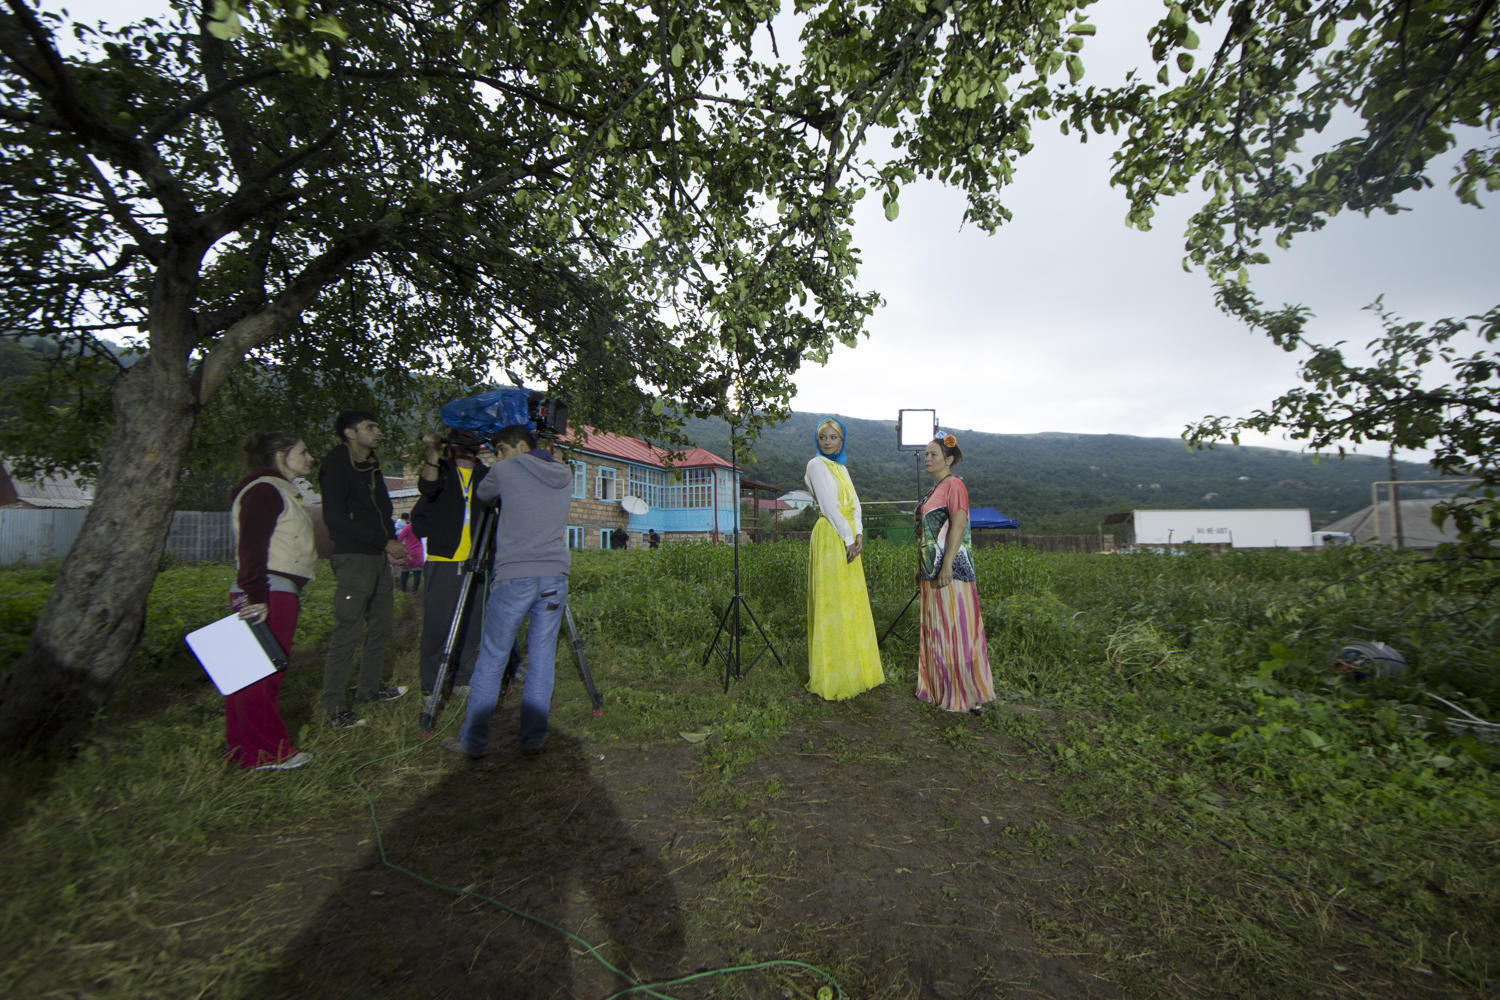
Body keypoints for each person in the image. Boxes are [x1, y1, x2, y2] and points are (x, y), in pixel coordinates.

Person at [443, 423, 573, 758]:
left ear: (512, 447)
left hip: (515, 575)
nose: (496, 457)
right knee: (543, 658)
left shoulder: (505, 469)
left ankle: (473, 741)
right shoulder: (563, 473)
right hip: (554, 576)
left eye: (497, 450)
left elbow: (483, 496)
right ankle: (533, 737)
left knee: (493, 656)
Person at [226, 430, 317, 770]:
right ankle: (268, 752)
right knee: (262, 676)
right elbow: (251, 545)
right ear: (281, 454)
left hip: (266, 589)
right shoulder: (265, 489)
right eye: (303, 452)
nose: (309, 458)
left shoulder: (272, 489)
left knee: (245, 676)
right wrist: (256, 595)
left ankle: (244, 750)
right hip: (267, 591)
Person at [318, 409, 409, 727]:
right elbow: (335, 518)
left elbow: (380, 512)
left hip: (377, 557)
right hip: (353, 557)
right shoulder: (335, 464)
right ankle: (333, 707)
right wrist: (385, 543)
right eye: (370, 426)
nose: (378, 432)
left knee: (381, 625)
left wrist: (389, 543)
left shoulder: (371, 465)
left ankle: (369, 690)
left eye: (378, 426)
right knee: (348, 631)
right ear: (349, 432)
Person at [412, 427, 518, 699]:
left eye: (472, 444)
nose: (468, 449)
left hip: (478, 559)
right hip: (444, 558)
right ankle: (431, 684)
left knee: (472, 625)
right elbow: (426, 487)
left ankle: (463, 678)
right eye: (462, 443)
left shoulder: (485, 474)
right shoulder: (442, 470)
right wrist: (432, 452)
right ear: (452, 446)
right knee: (438, 624)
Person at [803, 416, 884, 700]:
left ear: (841, 439)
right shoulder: (816, 466)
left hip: (848, 535)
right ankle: (833, 672)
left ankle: (854, 668)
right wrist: (849, 538)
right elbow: (829, 505)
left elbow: (855, 504)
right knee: (832, 601)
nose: (827, 442)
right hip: (831, 535)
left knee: (850, 601)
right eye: (822, 437)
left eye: (833, 437)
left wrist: (859, 534)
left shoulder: (841, 467)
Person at [914, 433, 995, 713]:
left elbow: (959, 525)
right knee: (937, 630)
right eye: (925, 454)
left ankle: (961, 694)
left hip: (951, 570)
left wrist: (947, 564)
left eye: (933, 454)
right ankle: (940, 689)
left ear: (948, 460)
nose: (928, 458)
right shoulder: (935, 489)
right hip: (931, 570)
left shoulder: (954, 485)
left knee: (954, 630)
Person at [396, 519, 424, 592]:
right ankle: (414, 591)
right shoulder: (422, 526)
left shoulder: (408, 527)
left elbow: (400, 537)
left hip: (408, 551)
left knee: (405, 570)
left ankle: (403, 590)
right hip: (419, 552)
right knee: (417, 572)